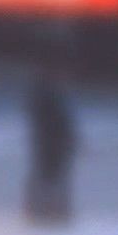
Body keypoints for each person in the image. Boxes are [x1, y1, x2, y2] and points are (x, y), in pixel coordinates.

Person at [24, 60, 79, 225]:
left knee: (50, 173)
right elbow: (52, 120)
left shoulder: (51, 93)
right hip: (50, 140)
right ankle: (45, 208)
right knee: (49, 174)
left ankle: (48, 208)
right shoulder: (47, 94)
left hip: (52, 140)